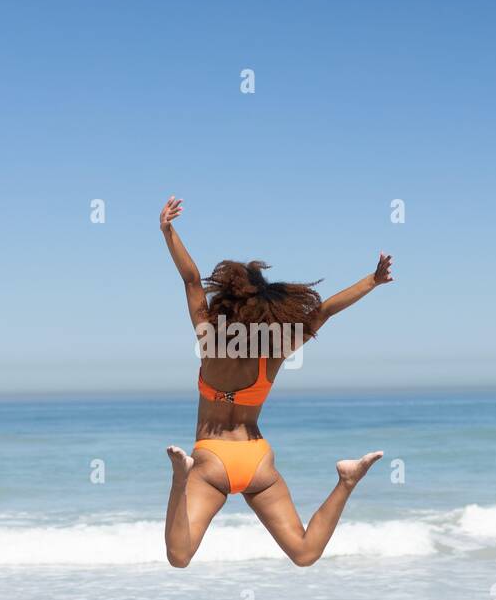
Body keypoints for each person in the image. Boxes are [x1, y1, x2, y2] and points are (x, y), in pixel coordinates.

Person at [158, 195, 393, 567]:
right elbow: (323, 311)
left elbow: (190, 280)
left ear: (228, 300)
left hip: (210, 460)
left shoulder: (210, 340)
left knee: (180, 555)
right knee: (304, 553)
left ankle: (179, 477)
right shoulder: (276, 350)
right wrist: (372, 280)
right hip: (257, 461)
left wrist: (168, 230)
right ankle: (347, 480)